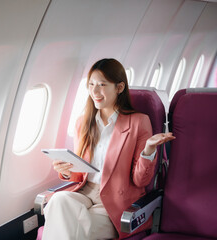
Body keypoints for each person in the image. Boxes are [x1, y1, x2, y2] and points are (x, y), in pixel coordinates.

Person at [42, 58, 175, 240]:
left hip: (115, 203)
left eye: (102, 84)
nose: (94, 91)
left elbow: (140, 181)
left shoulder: (139, 122)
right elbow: (80, 175)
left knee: (74, 227)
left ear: (119, 88)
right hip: (85, 192)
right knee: (58, 200)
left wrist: (149, 150)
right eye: (91, 84)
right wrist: (66, 171)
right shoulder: (83, 122)